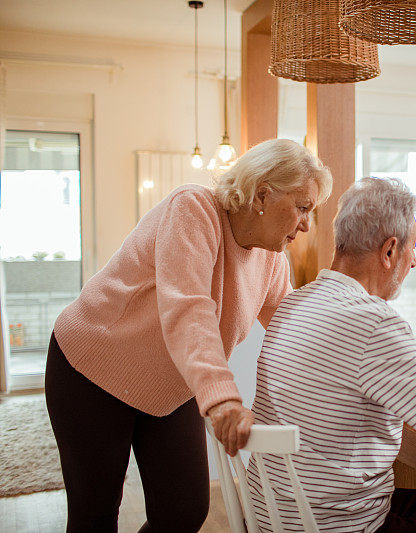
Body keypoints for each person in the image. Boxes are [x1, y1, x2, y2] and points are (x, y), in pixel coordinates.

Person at [44, 139, 332, 532]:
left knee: (183, 511)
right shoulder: (194, 208)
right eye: (303, 207)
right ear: (263, 193)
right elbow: (189, 310)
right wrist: (223, 399)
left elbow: (296, 332)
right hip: (93, 369)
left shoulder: (272, 260)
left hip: (166, 384)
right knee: (94, 515)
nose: (306, 224)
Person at [249, 177, 416, 532]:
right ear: (390, 251)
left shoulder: (293, 303)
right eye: (413, 250)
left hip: (270, 514)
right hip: (333, 525)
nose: (413, 264)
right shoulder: (375, 324)